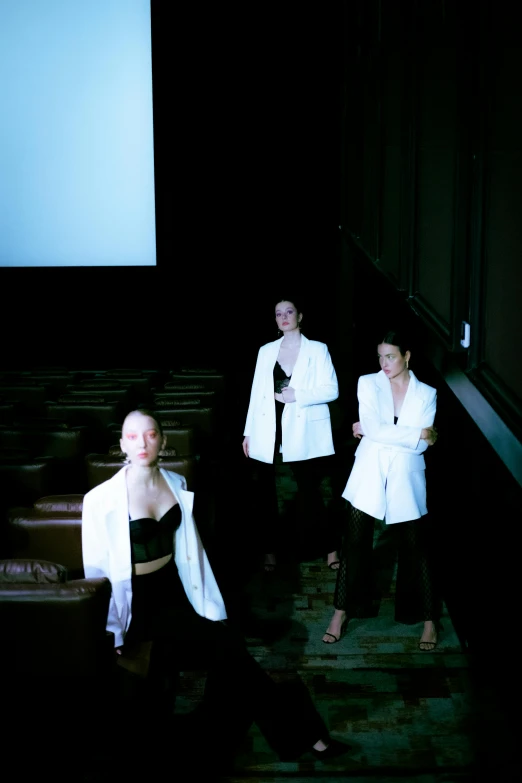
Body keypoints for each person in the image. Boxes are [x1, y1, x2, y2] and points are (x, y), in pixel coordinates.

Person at [81, 408, 350, 773]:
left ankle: (290, 735)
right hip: (137, 605)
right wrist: (113, 631)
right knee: (222, 659)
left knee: (233, 653)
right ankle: (307, 735)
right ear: (121, 445)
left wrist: (211, 607)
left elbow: (191, 554)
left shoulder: (176, 482)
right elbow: (96, 571)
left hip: (175, 592)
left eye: (150, 434)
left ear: (163, 439)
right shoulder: (100, 499)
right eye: (132, 436)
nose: (142, 443)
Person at [322, 330, 440, 651]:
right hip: (369, 473)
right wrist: (414, 432)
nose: (383, 363)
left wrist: (378, 432)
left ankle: (429, 621)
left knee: (418, 550)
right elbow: (384, 430)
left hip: (406, 475)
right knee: (355, 544)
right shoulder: (367, 383)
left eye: (390, 356)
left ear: (407, 356)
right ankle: (340, 614)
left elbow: (418, 449)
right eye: (380, 357)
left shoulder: (426, 393)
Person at [242, 297, 341, 572]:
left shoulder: (318, 350)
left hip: (303, 425)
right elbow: (256, 394)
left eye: (289, 312)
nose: (284, 317)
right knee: (264, 492)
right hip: (268, 425)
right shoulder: (265, 351)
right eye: (278, 314)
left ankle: (329, 547)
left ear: (300, 316)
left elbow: (331, 390)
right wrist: (248, 432)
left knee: (309, 489)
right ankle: (270, 551)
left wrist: (299, 396)